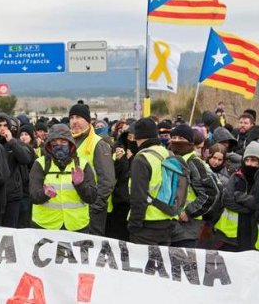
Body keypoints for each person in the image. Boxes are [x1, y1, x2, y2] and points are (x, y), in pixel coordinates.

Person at [29, 123, 97, 232]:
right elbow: (33, 196)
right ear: (49, 145)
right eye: (54, 142)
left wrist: (80, 185)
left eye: (63, 142)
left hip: (77, 226)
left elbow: (92, 198)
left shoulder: (82, 165)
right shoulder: (40, 164)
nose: (59, 145)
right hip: (46, 226)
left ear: (70, 144)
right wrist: (44, 194)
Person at [127, 117, 178, 245]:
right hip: (168, 220)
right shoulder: (170, 154)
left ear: (138, 137)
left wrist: (133, 226)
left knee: (143, 264)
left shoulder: (141, 158)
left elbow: (138, 197)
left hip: (147, 224)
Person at [168, 124, 219, 248]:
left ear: (190, 142)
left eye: (181, 138)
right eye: (173, 137)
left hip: (188, 227)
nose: (176, 141)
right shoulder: (171, 159)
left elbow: (211, 192)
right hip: (172, 223)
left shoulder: (193, 162)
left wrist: (189, 212)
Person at [68, 103, 115, 235]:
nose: (74, 121)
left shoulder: (98, 144)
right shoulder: (68, 141)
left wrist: (96, 205)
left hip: (92, 210)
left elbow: (107, 180)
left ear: (88, 121)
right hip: (74, 210)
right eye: (71, 118)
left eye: (78, 117)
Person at [214, 142, 259, 252]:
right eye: (247, 160)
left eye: (253, 160)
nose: (249, 164)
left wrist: (239, 197)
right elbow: (228, 201)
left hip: (254, 235)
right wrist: (249, 208)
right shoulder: (236, 176)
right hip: (231, 236)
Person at [0, 113, 33, 227]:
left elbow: (25, 159)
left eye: (5, 125)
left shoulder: (16, 143)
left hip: (13, 195)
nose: (2, 128)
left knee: (10, 230)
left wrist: (11, 141)